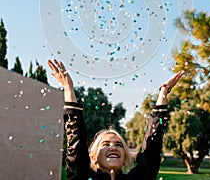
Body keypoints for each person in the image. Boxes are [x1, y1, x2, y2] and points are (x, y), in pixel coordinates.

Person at [47, 59, 184, 180]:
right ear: (93, 157)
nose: (113, 147)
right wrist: (68, 88)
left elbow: (152, 146)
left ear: (125, 156)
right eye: (105, 144)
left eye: (119, 145)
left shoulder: (138, 178)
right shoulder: (81, 177)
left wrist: (163, 93)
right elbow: (76, 139)